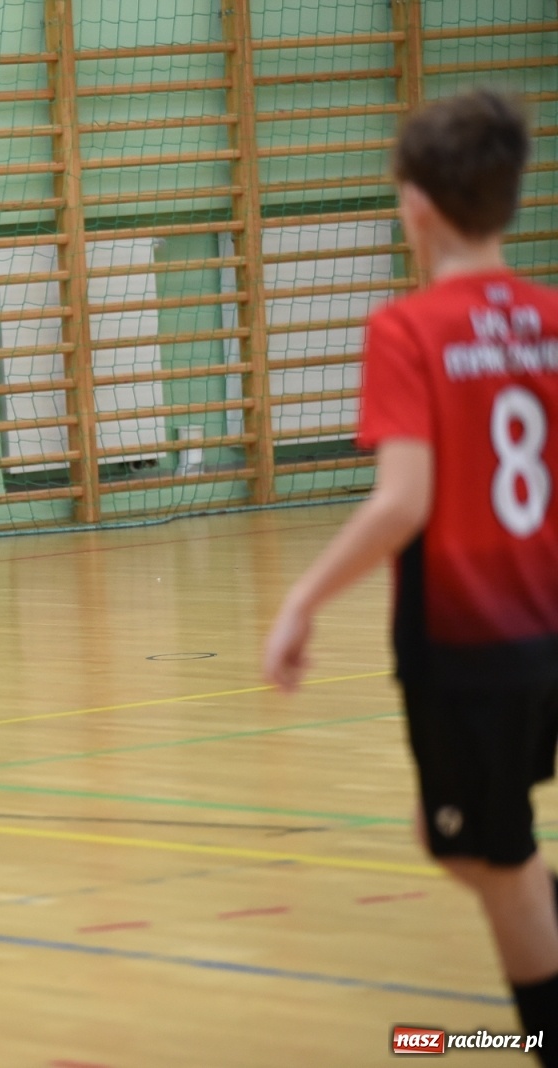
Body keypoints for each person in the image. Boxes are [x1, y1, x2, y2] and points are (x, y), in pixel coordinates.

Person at [262, 89, 558, 1061]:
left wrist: (301, 600)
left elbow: (402, 502)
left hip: (468, 641)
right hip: (545, 621)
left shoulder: (409, 328)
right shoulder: (550, 320)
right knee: (477, 844)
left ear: (416, 206)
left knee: (486, 852)